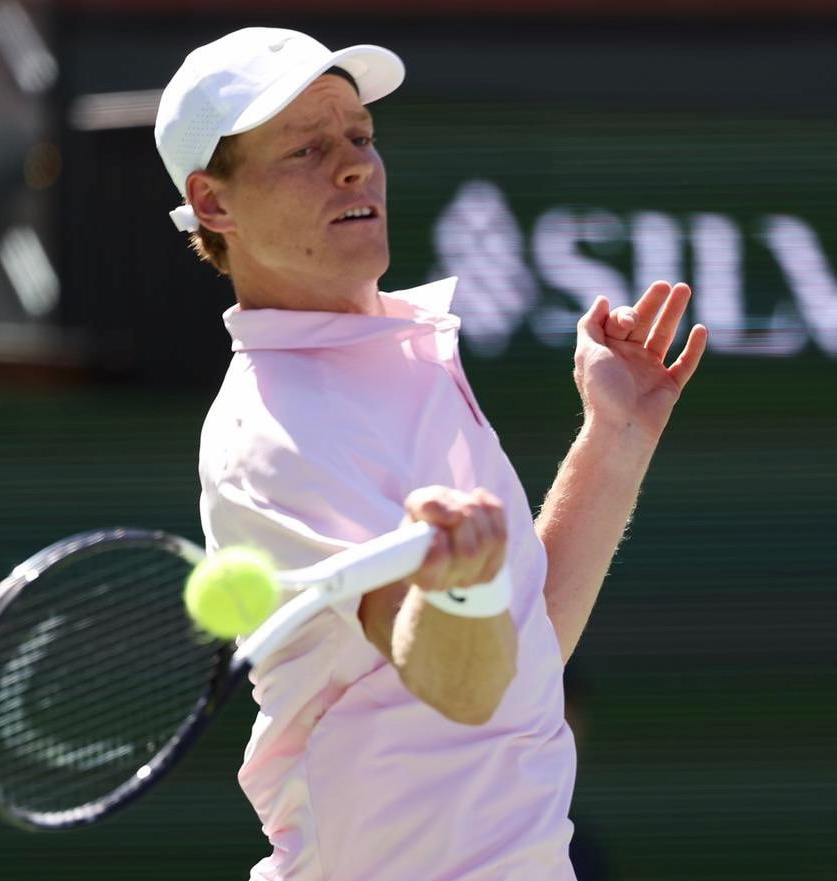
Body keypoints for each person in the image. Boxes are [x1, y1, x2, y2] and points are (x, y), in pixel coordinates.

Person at [154, 27, 707, 881]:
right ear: (215, 202)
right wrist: (467, 584)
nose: (353, 166)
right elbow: (461, 685)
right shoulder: (276, 433)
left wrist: (615, 435)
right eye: (306, 147)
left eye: (360, 138)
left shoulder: (398, 360)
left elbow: (521, 656)